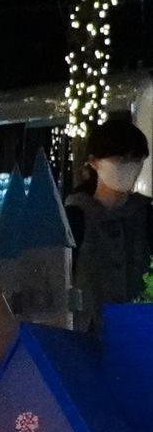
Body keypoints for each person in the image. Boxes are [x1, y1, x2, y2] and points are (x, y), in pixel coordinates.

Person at [72, 113, 153, 329]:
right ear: (94, 162)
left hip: (141, 333)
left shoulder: (146, 215)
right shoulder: (75, 216)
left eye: (137, 160)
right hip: (87, 337)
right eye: (120, 160)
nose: (130, 167)